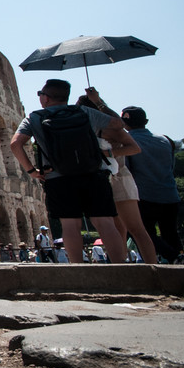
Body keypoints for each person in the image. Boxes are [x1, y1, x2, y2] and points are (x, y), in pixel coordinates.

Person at [10, 78, 128, 264]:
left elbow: (15, 144)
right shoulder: (85, 111)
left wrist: (32, 171)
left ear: (46, 98)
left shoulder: (35, 117)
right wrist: (98, 101)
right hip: (92, 173)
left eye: (41, 94)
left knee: (70, 225)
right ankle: (122, 268)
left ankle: (78, 270)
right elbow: (119, 124)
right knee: (105, 223)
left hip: (58, 177)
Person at [78, 89, 157, 264]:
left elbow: (134, 148)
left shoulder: (110, 127)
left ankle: (155, 268)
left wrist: (107, 152)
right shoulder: (85, 130)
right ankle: (120, 266)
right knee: (115, 229)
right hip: (99, 180)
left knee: (136, 228)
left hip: (119, 177)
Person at [121, 105, 182, 264]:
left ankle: (172, 258)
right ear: (146, 121)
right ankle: (180, 262)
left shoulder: (128, 143)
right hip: (169, 193)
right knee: (170, 232)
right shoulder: (165, 139)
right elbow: (171, 167)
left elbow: (128, 169)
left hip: (144, 195)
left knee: (141, 232)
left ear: (124, 124)